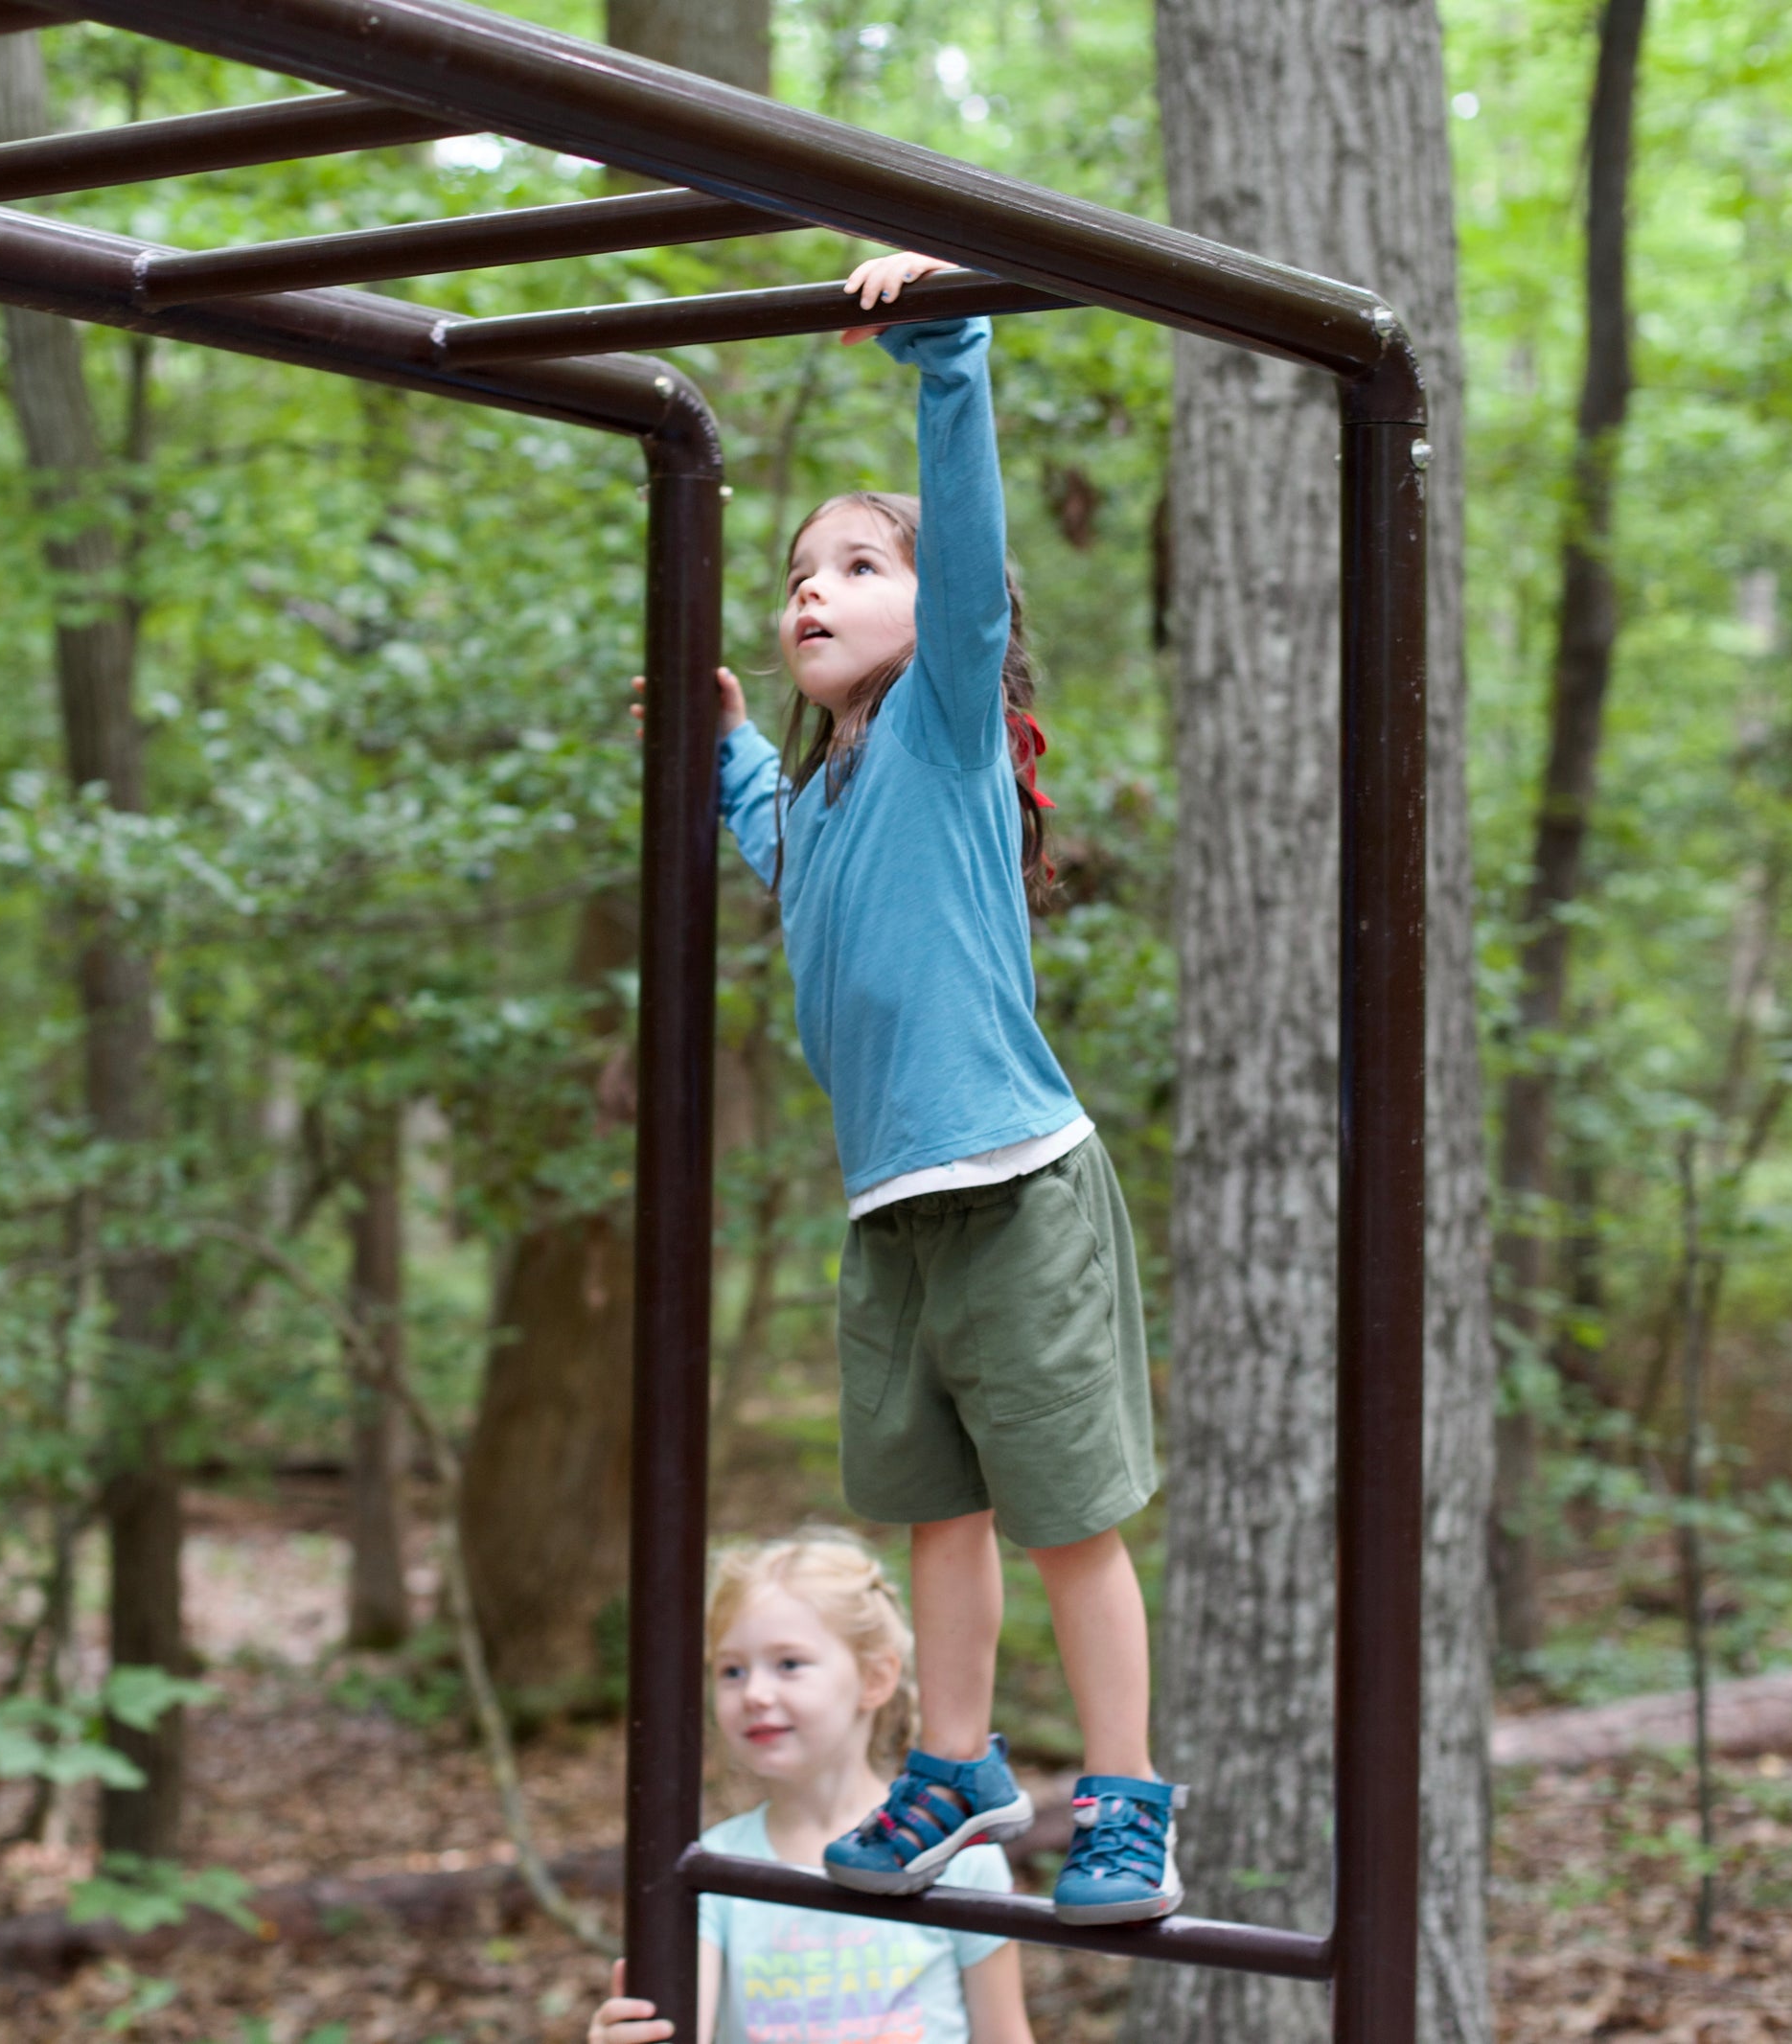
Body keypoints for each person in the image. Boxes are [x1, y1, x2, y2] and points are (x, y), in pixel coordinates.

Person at [636, 249, 1182, 1930]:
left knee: (1064, 1519)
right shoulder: (815, 809)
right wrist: (721, 740)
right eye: (799, 574)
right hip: (895, 1215)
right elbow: (762, 827)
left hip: (1016, 1181)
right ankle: (954, 1766)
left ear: (933, 613)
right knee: (935, 1507)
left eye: (857, 565)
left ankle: (1129, 1796)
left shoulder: (948, 730)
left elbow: (965, 551)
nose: (812, 589)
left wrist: (948, 358)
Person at [586, 1531, 1035, 2044]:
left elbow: (1006, 2034)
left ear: (875, 1678)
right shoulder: (710, 1866)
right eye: (731, 1670)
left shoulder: (957, 1852)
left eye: (789, 1664)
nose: (754, 1693)